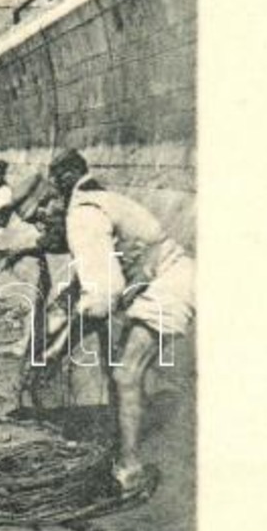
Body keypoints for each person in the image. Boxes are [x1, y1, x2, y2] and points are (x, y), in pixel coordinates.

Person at [51, 148, 194, 500]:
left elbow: (102, 295)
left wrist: (58, 344)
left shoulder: (82, 214)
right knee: (126, 370)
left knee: (127, 374)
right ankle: (125, 446)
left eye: (44, 209)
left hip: (170, 282)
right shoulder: (104, 199)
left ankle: (130, 468)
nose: (43, 219)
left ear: (64, 182)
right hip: (172, 275)